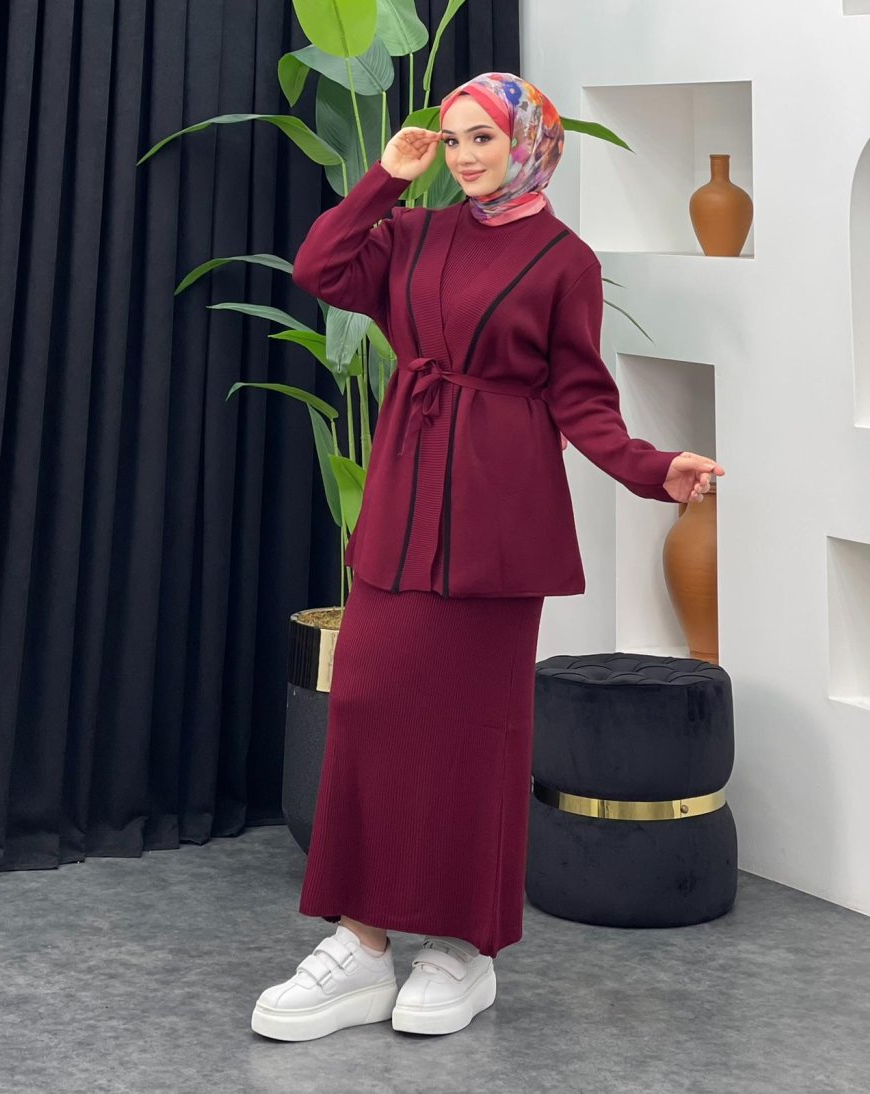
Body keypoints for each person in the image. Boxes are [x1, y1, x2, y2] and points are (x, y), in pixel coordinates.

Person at [250, 72, 725, 1044]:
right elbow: (320, 266)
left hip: (499, 517)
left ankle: (463, 951)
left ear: (529, 144)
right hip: (403, 499)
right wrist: (387, 177)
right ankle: (360, 944)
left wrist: (651, 468)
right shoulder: (412, 233)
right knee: (368, 709)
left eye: (484, 138)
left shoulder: (565, 261)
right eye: (455, 138)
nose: (465, 155)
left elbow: (580, 398)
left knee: (475, 732)